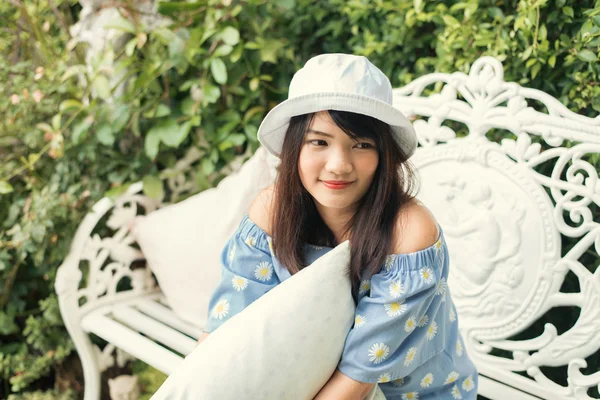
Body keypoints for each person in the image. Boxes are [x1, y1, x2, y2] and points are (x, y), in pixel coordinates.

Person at [197, 54, 478, 399]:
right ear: (294, 147)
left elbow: (356, 383)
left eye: (361, 144)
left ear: (382, 155)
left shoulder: (409, 231)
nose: (339, 165)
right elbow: (224, 332)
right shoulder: (272, 211)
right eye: (319, 142)